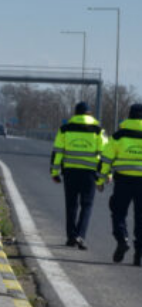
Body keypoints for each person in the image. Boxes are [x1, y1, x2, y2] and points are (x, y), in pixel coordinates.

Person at [51, 101, 109, 250]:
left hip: (70, 172)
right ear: (89, 113)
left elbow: (57, 152)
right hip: (89, 173)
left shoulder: (64, 129)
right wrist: (105, 175)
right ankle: (80, 235)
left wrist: (54, 172)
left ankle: (71, 237)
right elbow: (105, 155)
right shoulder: (98, 130)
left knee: (71, 205)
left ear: (75, 113)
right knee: (86, 205)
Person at [99, 103, 142, 265]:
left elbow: (105, 160)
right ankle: (139, 254)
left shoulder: (118, 136)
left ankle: (122, 238)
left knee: (118, 212)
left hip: (123, 180)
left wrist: (100, 180)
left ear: (129, 115)